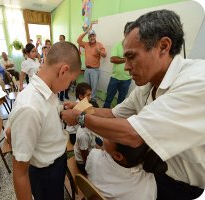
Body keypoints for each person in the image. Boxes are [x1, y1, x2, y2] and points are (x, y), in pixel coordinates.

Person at [62, 9, 205, 200]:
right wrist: (80, 108)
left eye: (131, 57)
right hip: (151, 169)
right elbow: (113, 113)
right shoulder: (147, 87)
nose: (126, 66)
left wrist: (81, 118)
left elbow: (134, 134)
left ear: (163, 46)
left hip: (179, 184)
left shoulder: (197, 82)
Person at [6, 41, 81, 200]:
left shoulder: (49, 90)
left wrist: (61, 111)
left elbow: (12, 130)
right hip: (45, 172)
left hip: (57, 160)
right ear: (63, 71)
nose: (68, 86)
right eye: (70, 81)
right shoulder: (30, 107)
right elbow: (20, 173)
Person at [86, 139, 162, 200]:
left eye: (109, 136)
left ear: (118, 156)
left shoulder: (94, 156)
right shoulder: (148, 186)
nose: (104, 134)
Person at [103, 22, 133, 108]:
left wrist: (121, 59)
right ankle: (104, 113)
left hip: (127, 79)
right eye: (128, 32)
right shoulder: (117, 45)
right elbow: (113, 59)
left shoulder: (135, 47)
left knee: (121, 100)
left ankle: (117, 117)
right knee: (108, 98)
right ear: (124, 33)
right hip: (115, 77)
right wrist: (127, 59)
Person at [77, 24, 107, 100]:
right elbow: (78, 40)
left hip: (95, 70)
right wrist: (87, 31)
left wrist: (99, 51)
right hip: (87, 70)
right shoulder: (86, 44)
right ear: (88, 37)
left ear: (95, 36)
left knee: (93, 88)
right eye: (90, 36)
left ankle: (92, 101)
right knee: (86, 87)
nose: (92, 37)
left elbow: (104, 55)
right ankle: (86, 101)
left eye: (93, 36)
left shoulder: (99, 45)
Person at [58, 34, 70, 101]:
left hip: (67, 67)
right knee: (62, 82)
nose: (60, 40)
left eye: (61, 39)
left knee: (67, 82)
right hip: (61, 67)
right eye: (59, 39)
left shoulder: (67, 47)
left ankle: (66, 95)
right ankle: (61, 96)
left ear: (64, 40)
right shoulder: (58, 48)